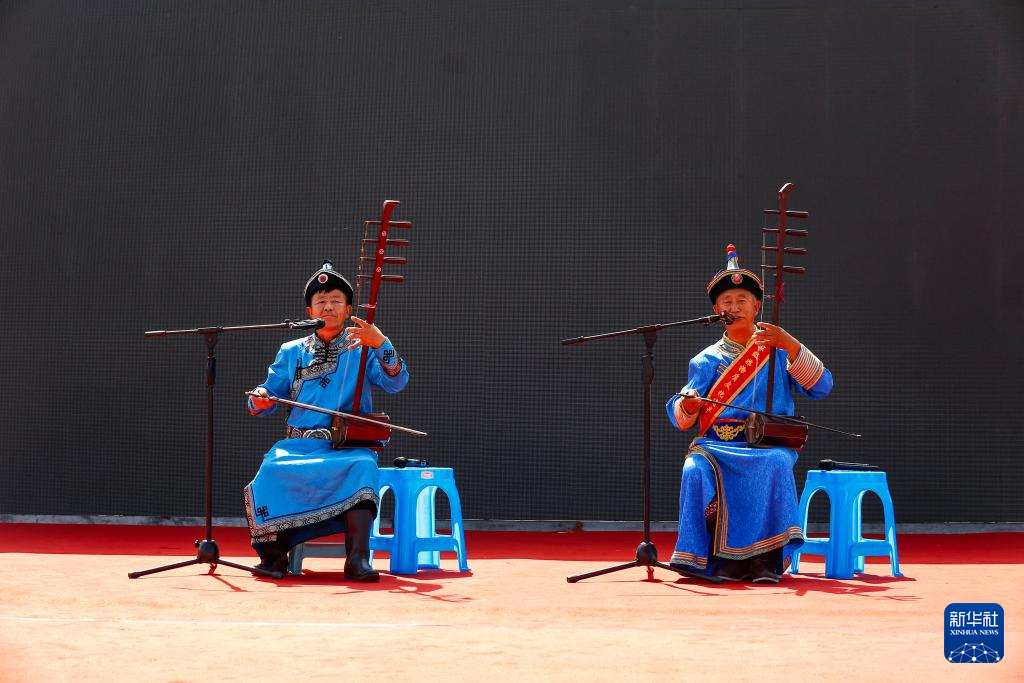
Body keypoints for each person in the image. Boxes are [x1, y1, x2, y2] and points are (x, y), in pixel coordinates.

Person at [666, 244, 832, 583]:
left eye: (742, 300)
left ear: (757, 306)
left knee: (776, 462)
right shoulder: (705, 360)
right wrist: (690, 404)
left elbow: (822, 387)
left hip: (766, 444)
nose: (734, 307)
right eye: (726, 301)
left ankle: (764, 559)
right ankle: (712, 558)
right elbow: (681, 412)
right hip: (716, 446)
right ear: (716, 310)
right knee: (694, 469)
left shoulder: (778, 349)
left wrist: (790, 344)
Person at [243, 260, 409, 581]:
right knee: (272, 467)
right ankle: (274, 557)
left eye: (336, 300)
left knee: (363, 465)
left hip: (345, 446)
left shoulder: (363, 348)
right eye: (321, 301)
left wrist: (381, 343)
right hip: (297, 446)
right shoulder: (291, 351)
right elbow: (265, 395)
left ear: (348, 310)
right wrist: (260, 397)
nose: (328, 306)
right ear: (309, 312)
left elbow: (396, 381)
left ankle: (357, 559)